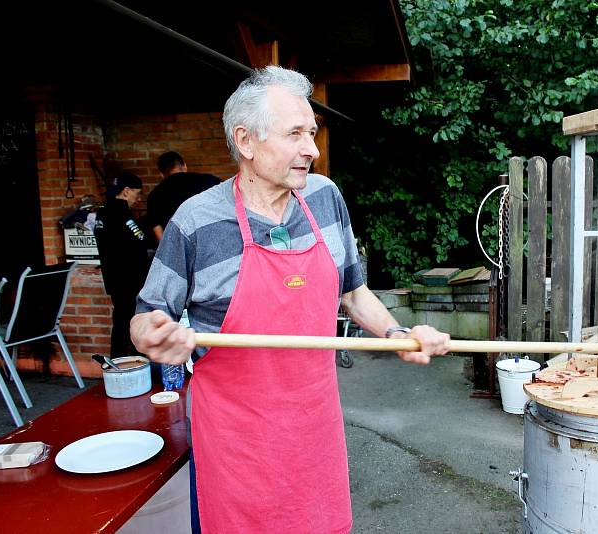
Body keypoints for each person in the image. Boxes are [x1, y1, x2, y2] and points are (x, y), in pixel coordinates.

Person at [129, 65, 450, 533]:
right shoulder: (196, 221)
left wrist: (397, 334)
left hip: (313, 423)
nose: (311, 149)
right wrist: (154, 336)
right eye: (296, 134)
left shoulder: (324, 197)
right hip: (236, 436)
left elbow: (354, 294)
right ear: (246, 141)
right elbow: (146, 317)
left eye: (312, 132)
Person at [94, 171, 151, 357]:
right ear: (126, 191)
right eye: (137, 193)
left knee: (120, 322)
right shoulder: (122, 214)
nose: (138, 198)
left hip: (113, 279)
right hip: (130, 280)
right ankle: (134, 364)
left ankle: (118, 364)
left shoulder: (101, 213)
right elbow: (141, 240)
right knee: (133, 324)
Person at [146, 151, 221, 242]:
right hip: (213, 242)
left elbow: (160, 235)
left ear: (161, 174)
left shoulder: (154, 196)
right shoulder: (209, 181)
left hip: (180, 248)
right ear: (184, 166)